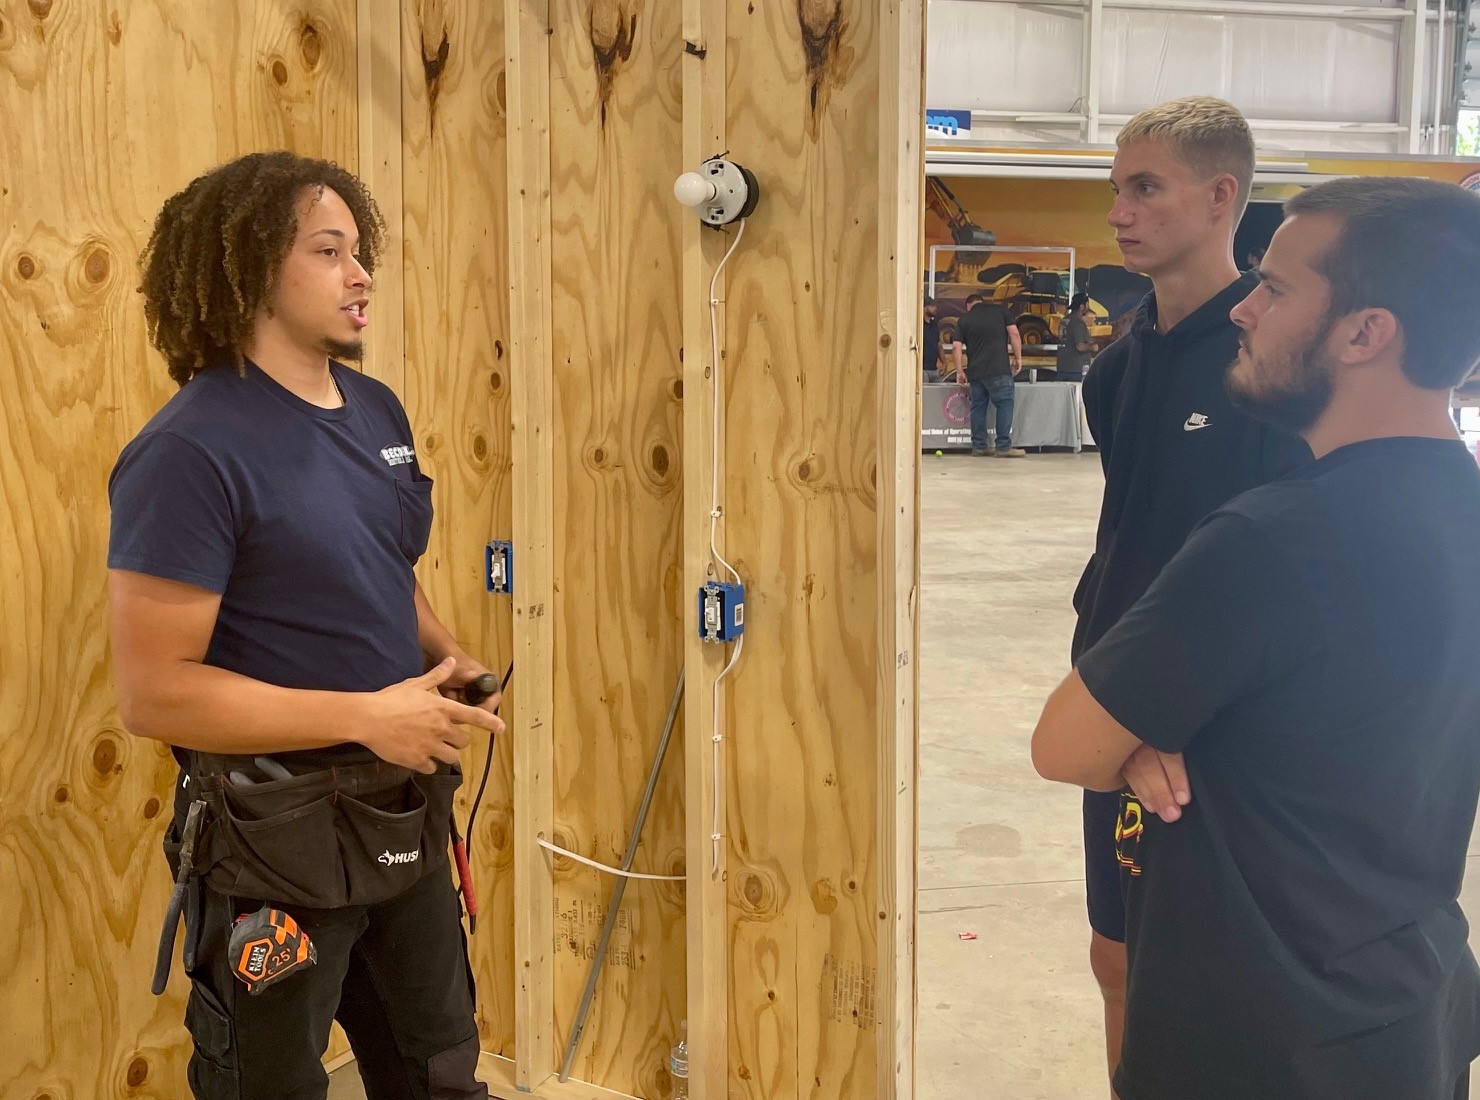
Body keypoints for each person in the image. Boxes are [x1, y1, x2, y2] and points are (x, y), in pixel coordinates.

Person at [1033, 175, 1480, 1100]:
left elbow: (1067, 744)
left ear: (1366, 333)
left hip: (1253, 1032)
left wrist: (1139, 735)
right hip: (1405, 1008)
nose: (1245, 308)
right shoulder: (1459, 505)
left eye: (1276, 287)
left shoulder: (1273, 539)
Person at [108, 151, 502, 1099]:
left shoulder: (375, 411)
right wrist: (364, 714)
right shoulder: (189, 452)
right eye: (330, 252)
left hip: (401, 812)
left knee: (441, 1073)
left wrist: (444, 654)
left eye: (358, 251)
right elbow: (155, 692)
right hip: (270, 840)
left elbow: (384, 572)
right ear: (249, 271)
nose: (361, 275)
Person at [1070, 96, 1311, 1093]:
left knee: (1224, 974)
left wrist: (1178, 710)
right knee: (1115, 955)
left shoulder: (1273, 362)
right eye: (1116, 190)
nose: (1120, 212)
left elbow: (1286, 571)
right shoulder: (1116, 366)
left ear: (1220, 197)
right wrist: (1113, 699)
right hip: (1113, 696)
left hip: (1219, 725)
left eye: (1145, 188)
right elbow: (1132, 537)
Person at [952, 291, 1025, 457]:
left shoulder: (964, 319)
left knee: (978, 407)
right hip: (999, 370)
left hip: (976, 373)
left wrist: (959, 371)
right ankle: (1003, 447)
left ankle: (979, 446)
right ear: (982, 302)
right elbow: (1014, 334)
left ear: (969, 306)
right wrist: (1018, 358)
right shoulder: (1001, 311)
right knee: (1004, 404)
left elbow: (956, 347)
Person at [1056, 292, 1095, 379]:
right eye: (1087, 305)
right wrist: (1093, 347)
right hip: (1075, 371)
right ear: (1081, 306)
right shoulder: (1078, 323)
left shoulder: (1065, 319)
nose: (1088, 308)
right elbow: (1080, 346)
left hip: (1063, 368)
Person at [923, 295, 944, 382]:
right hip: (922, 370)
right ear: (924, 307)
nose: (935, 308)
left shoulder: (934, 324)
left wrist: (944, 363)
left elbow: (939, 345)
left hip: (935, 369)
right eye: (932, 306)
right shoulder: (918, 325)